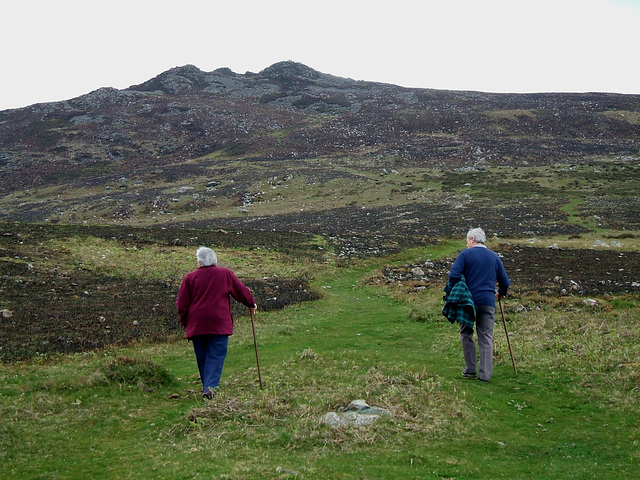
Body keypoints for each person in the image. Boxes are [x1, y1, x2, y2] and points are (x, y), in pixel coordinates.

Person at [176, 247, 257, 399]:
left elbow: (182, 304)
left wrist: (185, 322)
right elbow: (241, 291)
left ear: (199, 262)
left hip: (197, 324)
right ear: (214, 260)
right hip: (219, 324)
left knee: (203, 357)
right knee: (215, 356)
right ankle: (210, 389)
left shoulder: (190, 278)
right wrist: (251, 303)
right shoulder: (224, 274)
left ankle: (208, 388)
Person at [446, 228, 510, 383]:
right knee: (486, 336)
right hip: (488, 302)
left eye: (467, 240)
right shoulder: (494, 257)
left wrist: (454, 290)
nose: (467, 244)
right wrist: (501, 292)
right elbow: (505, 282)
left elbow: (453, 275)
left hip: (468, 302)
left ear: (472, 239)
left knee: (466, 333)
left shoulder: (465, 255)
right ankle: (485, 375)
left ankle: (470, 370)